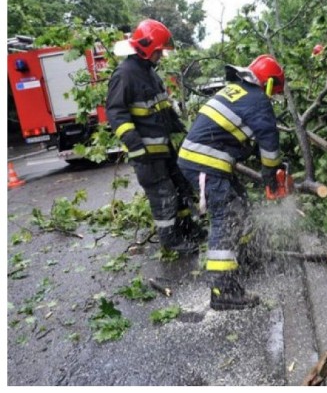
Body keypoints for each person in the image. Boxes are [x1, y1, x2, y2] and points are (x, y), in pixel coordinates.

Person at [177, 54, 286, 311]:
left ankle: (244, 259)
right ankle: (223, 290)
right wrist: (272, 177)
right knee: (226, 219)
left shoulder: (236, 91)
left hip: (202, 160)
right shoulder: (258, 100)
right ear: (269, 84)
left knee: (241, 207)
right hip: (205, 163)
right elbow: (269, 147)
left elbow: (229, 134)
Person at [107, 19, 205, 254]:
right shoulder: (125, 75)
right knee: (164, 195)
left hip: (164, 150)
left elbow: (164, 109)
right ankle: (170, 241)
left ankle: (189, 229)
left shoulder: (150, 74)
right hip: (146, 154)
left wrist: (184, 132)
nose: (160, 56)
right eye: (159, 52)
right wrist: (136, 146)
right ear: (147, 47)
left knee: (181, 188)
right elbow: (116, 113)